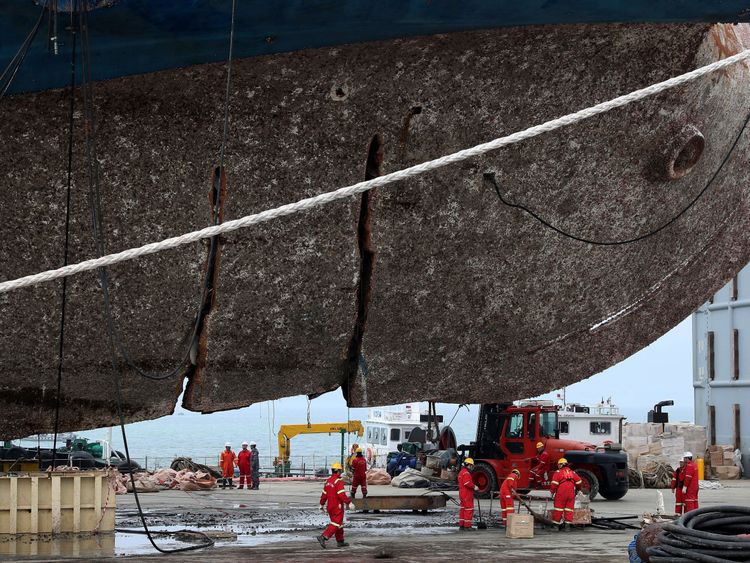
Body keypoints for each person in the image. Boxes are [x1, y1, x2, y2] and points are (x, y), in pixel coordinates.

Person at [317, 462, 354, 548]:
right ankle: (324, 537)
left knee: (339, 524)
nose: (340, 473)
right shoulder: (338, 482)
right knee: (336, 523)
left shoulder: (328, 481)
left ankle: (340, 541)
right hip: (337, 506)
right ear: (338, 471)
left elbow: (324, 495)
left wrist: (321, 505)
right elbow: (342, 495)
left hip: (330, 506)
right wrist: (349, 503)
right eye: (340, 471)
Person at [550, 458, 582, 531]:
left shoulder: (558, 472)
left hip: (561, 493)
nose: (558, 466)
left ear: (561, 465)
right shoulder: (572, 472)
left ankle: (556, 526)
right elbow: (579, 481)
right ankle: (567, 526)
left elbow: (554, 484)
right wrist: (578, 489)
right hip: (571, 494)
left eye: (558, 465)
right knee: (569, 509)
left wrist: (552, 492)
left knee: (558, 509)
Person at [457, 457, 478, 530]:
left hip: (462, 493)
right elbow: (467, 483)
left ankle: (462, 525)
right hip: (467, 493)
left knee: (463, 509)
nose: (472, 467)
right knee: (469, 509)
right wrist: (474, 486)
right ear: (469, 465)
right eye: (472, 466)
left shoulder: (461, 472)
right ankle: (467, 526)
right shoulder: (466, 473)